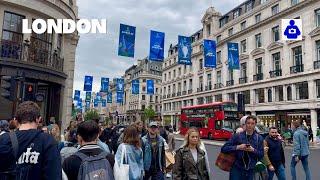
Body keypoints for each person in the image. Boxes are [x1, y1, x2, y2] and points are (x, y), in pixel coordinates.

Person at [0, 101, 61, 180]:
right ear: (38, 119)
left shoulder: (4, 139)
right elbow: (54, 175)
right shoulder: (48, 141)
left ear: (16, 120)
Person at [221, 115, 264, 180]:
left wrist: (253, 150)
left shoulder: (259, 138)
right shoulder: (237, 136)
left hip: (251, 169)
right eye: (248, 123)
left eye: (252, 123)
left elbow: (261, 154)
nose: (250, 125)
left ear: (255, 125)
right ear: (245, 124)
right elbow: (224, 148)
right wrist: (238, 147)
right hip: (237, 168)